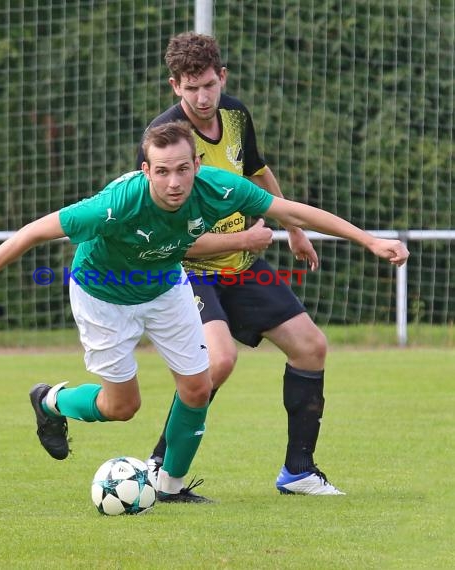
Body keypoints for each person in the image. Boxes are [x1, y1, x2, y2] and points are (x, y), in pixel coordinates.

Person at [0, 122, 408, 504]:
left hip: (166, 287)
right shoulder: (116, 204)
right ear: (145, 170)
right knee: (123, 408)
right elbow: (32, 232)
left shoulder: (218, 188)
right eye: (162, 171)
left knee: (198, 384)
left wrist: (368, 240)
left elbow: (294, 212)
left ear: (196, 165)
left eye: (182, 169)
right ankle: (51, 401)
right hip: (104, 294)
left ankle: (171, 486)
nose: (174, 182)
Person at [136, 32, 366, 495]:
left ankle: (298, 471)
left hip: (240, 265)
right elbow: (170, 243)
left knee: (310, 346)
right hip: (187, 274)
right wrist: (249, 235)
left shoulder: (236, 116)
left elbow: (257, 171)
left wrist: (293, 228)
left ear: (221, 78)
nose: (201, 97)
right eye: (190, 87)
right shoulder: (164, 142)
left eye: (208, 85)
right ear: (174, 86)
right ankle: (161, 466)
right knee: (218, 360)